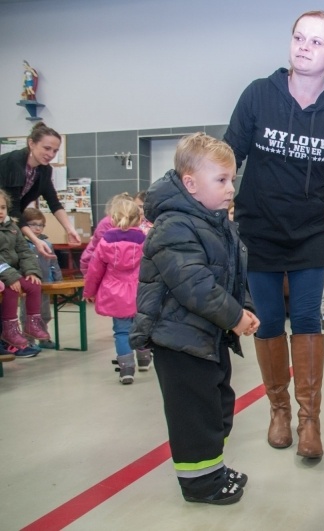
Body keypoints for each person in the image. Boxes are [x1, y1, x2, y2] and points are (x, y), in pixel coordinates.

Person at [223, 10, 324, 459]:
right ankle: (279, 410)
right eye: (299, 37)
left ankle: (309, 420)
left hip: (307, 233)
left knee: (306, 320)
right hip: (258, 230)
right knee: (267, 322)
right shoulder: (258, 95)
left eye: (316, 41)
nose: (304, 47)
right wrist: (213, 210)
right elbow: (228, 156)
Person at [130, 133, 259, 505]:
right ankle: (201, 485)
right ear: (190, 184)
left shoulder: (216, 222)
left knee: (216, 407)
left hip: (207, 336)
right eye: (221, 180)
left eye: (232, 179)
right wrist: (234, 317)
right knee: (194, 417)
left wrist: (243, 307)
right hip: (179, 340)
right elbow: (194, 285)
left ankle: (211, 470)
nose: (230, 188)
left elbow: (232, 273)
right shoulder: (173, 226)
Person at [83, 195, 146, 383]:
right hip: (140, 291)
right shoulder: (145, 240)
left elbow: (94, 270)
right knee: (143, 327)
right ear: (139, 219)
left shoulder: (105, 241)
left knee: (121, 331)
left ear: (113, 219)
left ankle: (126, 370)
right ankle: (144, 359)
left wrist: (89, 292)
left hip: (115, 294)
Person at [0, 123, 80, 259]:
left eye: (55, 151)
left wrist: (70, 229)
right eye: (47, 148)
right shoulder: (13, 162)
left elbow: (54, 202)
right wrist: (35, 240)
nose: (51, 154)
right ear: (31, 143)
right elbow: (13, 208)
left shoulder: (44, 170)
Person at [0, 188, 51, 350]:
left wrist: (31, 271)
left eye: (3, 207)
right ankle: (9, 328)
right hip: (3, 275)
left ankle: (32, 324)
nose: (0, 211)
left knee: (34, 284)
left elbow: (24, 251)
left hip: (11, 273)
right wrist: (11, 277)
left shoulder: (13, 227)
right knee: (11, 289)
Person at [20, 207, 62, 350]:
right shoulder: (22, 244)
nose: (38, 228)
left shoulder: (47, 244)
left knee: (45, 314)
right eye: (33, 224)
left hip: (45, 283)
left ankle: (43, 337)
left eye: (41, 225)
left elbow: (53, 263)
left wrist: (58, 280)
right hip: (28, 286)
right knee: (28, 314)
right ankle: (28, 340)